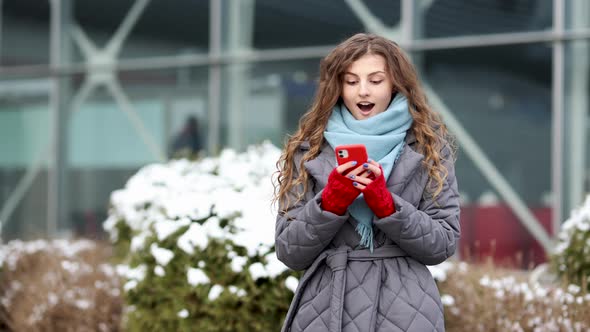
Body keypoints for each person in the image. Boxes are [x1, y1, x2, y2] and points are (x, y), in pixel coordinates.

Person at [273, 33, 460, 331]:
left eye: (375, 81)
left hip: (404, 310)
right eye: (351, 81)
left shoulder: (428, 148)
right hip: (326, 306)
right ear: (337, 86)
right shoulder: (309, 149)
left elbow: (442, 243)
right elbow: (289, 250)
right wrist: (330, 204)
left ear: (395, 83)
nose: (363, 92)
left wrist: (388, 206)